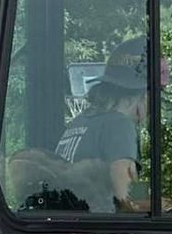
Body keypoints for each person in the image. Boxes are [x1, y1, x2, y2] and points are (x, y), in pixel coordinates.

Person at [55, 36, 156, 212]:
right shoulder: (119, 125)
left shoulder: (79, 122)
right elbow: (127, 199)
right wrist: (168, 209)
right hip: (99, 233)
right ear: (143, 95)